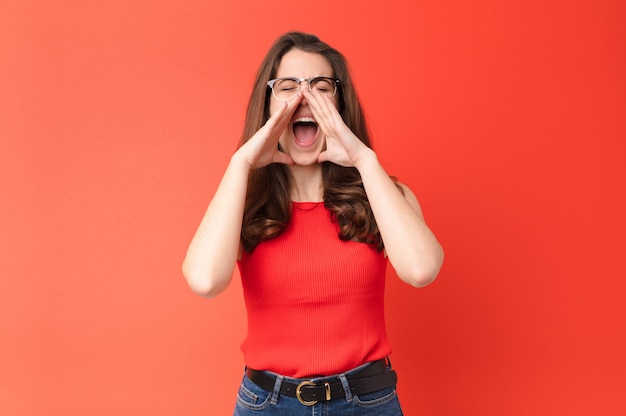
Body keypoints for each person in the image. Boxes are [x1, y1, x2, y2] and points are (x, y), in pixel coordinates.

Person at [182, 31, 443, 415]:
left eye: (321, 87)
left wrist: (363, 159)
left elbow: (422, 270)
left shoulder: (384, 194)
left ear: (340, 102)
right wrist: (240, 163)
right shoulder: (242, 203)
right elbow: (205, 281)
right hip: (267, 405)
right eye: (288, 87)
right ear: (267, 103)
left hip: (367, 402)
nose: (303, 99)